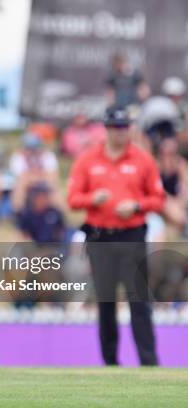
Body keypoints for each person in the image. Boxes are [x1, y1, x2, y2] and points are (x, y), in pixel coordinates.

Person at [67, 106, 165, 366]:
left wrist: (136, 206)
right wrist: (93, 199)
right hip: (100, 237)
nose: (121, 132)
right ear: (107, 128)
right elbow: (73, 199)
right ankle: (110, 363)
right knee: (106, 301)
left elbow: (158, 198)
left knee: (138, 300)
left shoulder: (142, 159)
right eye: (116, 127)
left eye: (125, 127)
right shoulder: (88, 160)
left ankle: (149, 362)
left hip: (132, 235)